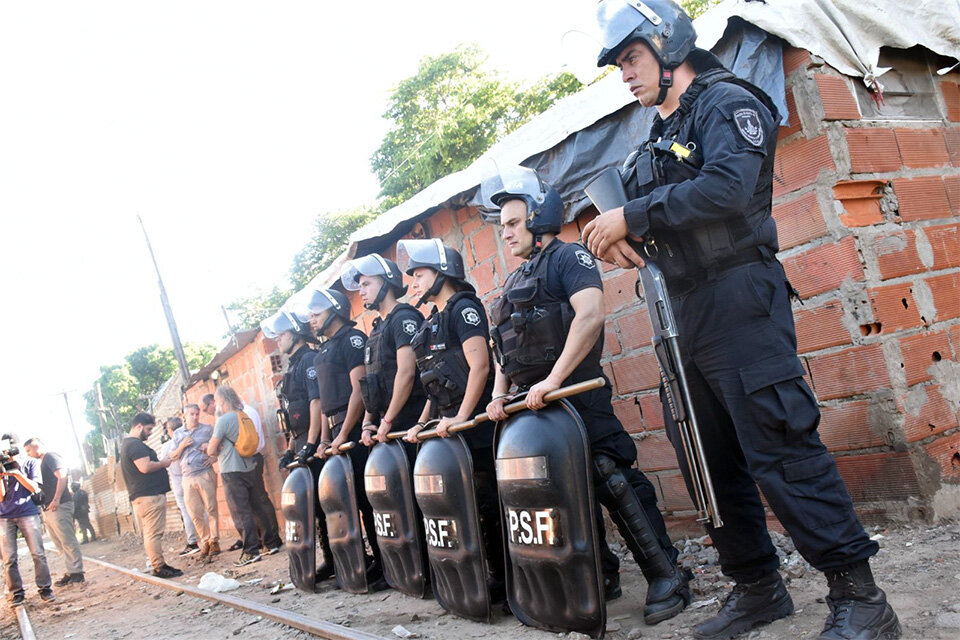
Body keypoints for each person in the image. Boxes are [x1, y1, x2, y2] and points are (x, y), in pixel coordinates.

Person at [582, 2, 900, 639]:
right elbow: (651, 213)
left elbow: (728, 188)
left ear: (669, 45)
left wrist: (636, 218)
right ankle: (757, 587)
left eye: (631, 59)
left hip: (739, 297)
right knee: (708, 455)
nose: (625, 75)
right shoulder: (649, 137)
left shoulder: (729, 104)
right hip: (683, 311)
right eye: (619, 66)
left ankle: (861, 598)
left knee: (779, 442)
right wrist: (616, 236)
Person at [481, 164, 689, 625]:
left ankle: (667, 574)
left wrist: (554, 380)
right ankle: (601, 576)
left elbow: (591, 315)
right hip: (535, 412)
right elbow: (501, 350)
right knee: (562, 490)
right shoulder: (513, 282)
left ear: (539, 217)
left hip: (578, 397)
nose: (506, 233)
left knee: (609, 476)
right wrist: (498, 396)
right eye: (503, 227)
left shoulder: (569, 257)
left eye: (514, 222)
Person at [398, 238, 505, 601]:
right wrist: (424, 422)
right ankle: (482, 577)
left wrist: (461, 417)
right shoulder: (433, 321)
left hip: (475, 427)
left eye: (420, 274)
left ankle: (503, 582)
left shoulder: (464, 310)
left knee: (490, 504)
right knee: (467, 507)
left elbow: (480, 366)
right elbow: (433, 382)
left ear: (442, 271)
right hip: (451, 428)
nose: (413, 282)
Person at [295, 286, 384, 585]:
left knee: (368, 501)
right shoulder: (324, 348)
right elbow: (321, 399)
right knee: (350, 502)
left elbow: (359, 388)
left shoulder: (351, 339)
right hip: (335, 432)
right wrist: (323, 438)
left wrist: (345, 432)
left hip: (354, 428)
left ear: (334, 310)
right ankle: (364, 561)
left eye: (317, 314)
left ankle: (385, 563)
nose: (312, 320)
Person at [262, 308, 334, 580]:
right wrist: (292, 448)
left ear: (295, 333)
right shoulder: (293, 366)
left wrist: (313, 443)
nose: (277, 341)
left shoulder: (310, 360)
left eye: (281, 334)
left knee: (326, 506)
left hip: (314, 443)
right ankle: (329, 560)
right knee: (314, 508)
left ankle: (339, 560)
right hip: (302, 440)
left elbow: (317, 403)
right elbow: (294, 415)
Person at [339, 253, 426, 449]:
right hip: (387, 427)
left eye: (366, 284)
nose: (361, 292)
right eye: (360, 286)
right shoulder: (377, 328)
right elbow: (371, 382)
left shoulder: (403, 318)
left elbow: (407, 373)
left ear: (386, 283)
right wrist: (368, 422)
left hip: (410, 424)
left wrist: (387, 421)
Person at [205, 385, 282, 567]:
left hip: (232, 470)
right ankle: (270, 543)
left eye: (216, 400)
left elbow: (210, 449)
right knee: (258, 506)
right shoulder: (244, 415)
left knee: (241, 512)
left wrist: (213, 448)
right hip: (249, 466)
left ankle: (250, 551)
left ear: (222, 401)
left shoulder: (224, 420)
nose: (215, 404)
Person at [119, 412, 182, 578]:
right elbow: (145, 467)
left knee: (150, 533)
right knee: (153, 533)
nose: (150, 432)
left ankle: (159, 564)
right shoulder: (135, 445)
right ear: (138, 426)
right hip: (149, 497)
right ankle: (159, 567)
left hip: (143, 497)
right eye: (148, 429)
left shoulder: (129, 445)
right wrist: (163, 463)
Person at [0, 433, 55, 605]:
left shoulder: (30, 462)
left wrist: (16, 473)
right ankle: (16, 593)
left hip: (27, 512)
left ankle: (45, 589)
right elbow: (1, 497)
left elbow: (34, 488)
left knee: (38, 553)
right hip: (4, 516)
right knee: (9, 558)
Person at [23, 437, 85, 587]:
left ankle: (77, 573)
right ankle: (71, 571)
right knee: (59, 541)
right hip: (50, 507)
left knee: (67, 539)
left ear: (36, 446)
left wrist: (56, 499)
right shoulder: (43, 461)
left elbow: (62, 476)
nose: (28, 454)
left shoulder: (51, 456)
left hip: (60, 505)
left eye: (28, 450)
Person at [171, 404, 220, 562]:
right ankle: (205, 540)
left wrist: (213, 457)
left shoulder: (207, 429)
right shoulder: (178, 434)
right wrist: (182, 445)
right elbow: (173, 456)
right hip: (187, 477)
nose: (195, 417)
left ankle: (214, 541)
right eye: (191, 414)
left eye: (197, 414)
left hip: (204, 473)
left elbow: (219, 447)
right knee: (194, 512)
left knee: (211, 508)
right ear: (184, 415)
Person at [158, 417, 200, 555]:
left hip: (179, 483)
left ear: (170, 430)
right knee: (201, 509)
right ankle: (208, 538)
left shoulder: (167, 446)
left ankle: (193, 541)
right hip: (194, 478)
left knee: (186, 512)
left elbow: (165, 462)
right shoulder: (191, 438)